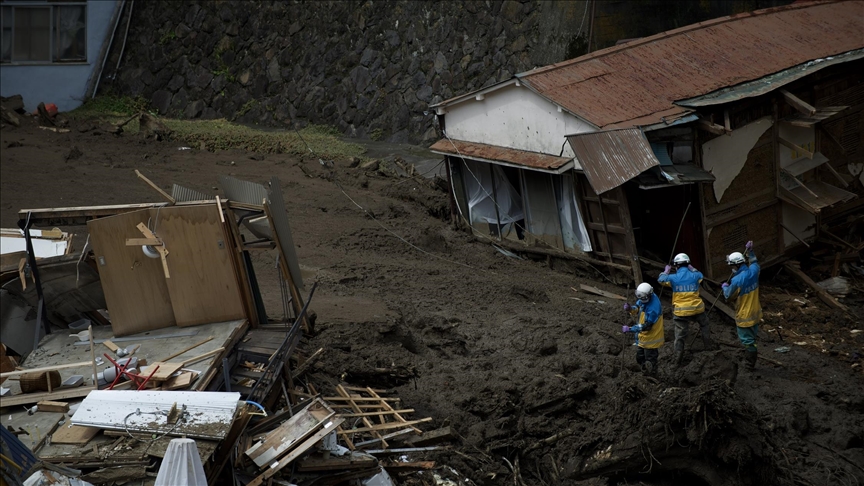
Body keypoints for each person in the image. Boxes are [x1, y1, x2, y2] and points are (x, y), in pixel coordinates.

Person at [658, 253, 716, 367]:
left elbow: (661, 279)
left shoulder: (673, 278)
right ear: (688, 264)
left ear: (676, 266)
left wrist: (666, 271)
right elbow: (700, 275)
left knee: (680, 335)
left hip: (681, 311)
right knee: (704, 324)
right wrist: (692, 268)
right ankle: (708, 347)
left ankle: (677, 360)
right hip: (697, 308)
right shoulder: (695, 276)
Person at [723, 240, 762, 370]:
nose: (731, 269)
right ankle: (751, 355)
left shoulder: (737, 280)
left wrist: (725, 287)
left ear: (736, 265)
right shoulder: (754, 271)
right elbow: (755, 262)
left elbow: (728, 296)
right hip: (756, 312)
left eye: (731, 266)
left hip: (745, 316)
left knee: (748, 341)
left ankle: (749, 365)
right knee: (752, 337)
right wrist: (750, 251)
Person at [622, 283, 664, 376]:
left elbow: (646, 326)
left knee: (650, 361)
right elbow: (638, 307)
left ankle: (652, 377)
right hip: (644, 338)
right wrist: (630, 309)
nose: (641, 300)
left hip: (651, 339)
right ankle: (644, 372)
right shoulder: (645, 297)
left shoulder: (653, 308)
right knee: (640, 358)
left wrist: (630, 329)